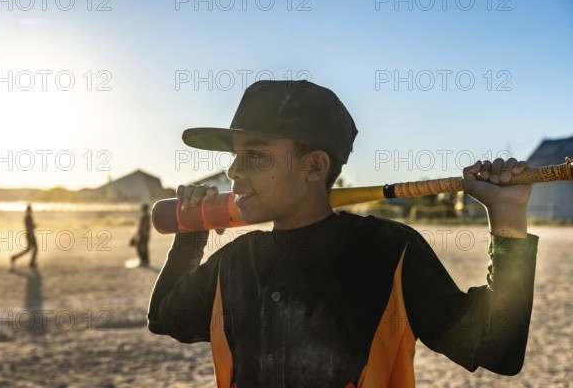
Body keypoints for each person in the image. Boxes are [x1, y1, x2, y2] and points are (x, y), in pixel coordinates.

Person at [147, 80, 538, 387]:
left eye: (256, 155)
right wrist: (191, 230)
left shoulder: (388, 253)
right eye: (234, 155)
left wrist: (506, 219)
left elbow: (497, 349)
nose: (233, 171)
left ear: (315, 167)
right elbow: (165, 317)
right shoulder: (234, 262)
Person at [10, 204, 39, 268]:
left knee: (32, 249)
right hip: (30, 234)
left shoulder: (28, 217)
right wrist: (33, 226)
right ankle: (31, 263)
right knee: (33, 249)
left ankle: (31, 262)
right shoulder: (28, 217)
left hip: (29, 233)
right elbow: (28, 226)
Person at [131, 203, 151, 267]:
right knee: (144, 246)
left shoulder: (145, 216)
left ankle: (143, 260)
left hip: (144, 234)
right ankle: (145, 260)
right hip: (145, 233)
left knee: (140, 246)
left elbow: (143, 226)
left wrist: (139, 234)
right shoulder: (147, 216)